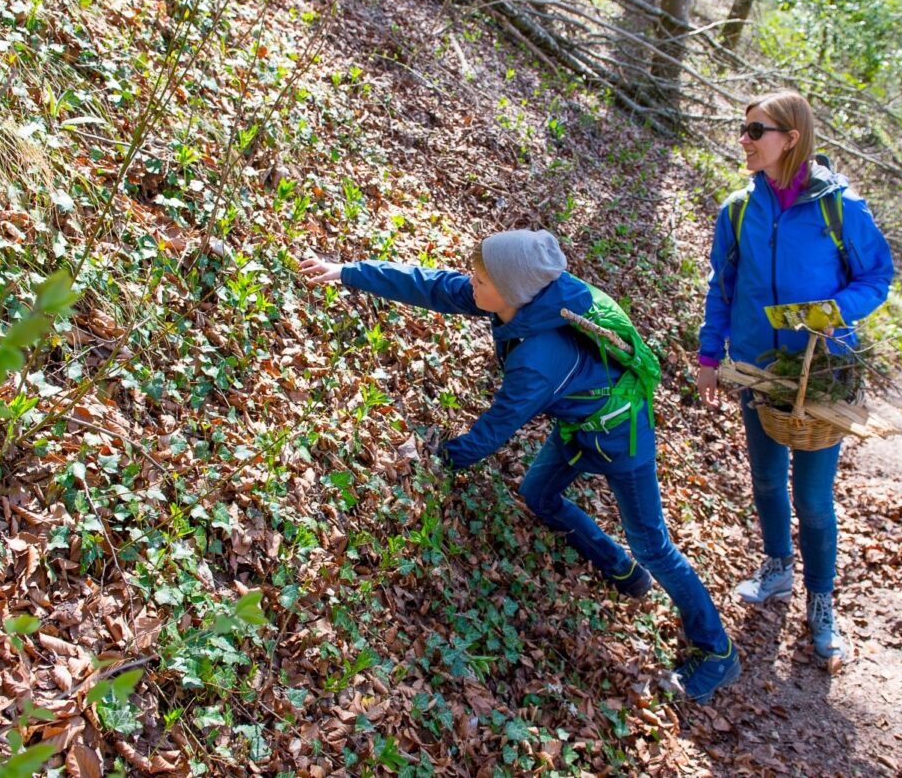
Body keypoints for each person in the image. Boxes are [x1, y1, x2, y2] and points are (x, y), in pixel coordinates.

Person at [301, 230, 740, 703]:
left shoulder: (538, 359)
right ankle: (622, 570)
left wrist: (438, 460)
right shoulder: (515, 300)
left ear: (509, 291)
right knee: (538, 495)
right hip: (579, 424)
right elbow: (432, 285)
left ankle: (717, 652)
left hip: (622, 436)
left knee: (653, 545)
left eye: (479, 279)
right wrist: (347, 272)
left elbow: (494, 430)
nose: (469, 283)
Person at [696, 89, 894, 667]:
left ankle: (822, 602)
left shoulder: (840, 208)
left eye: (756, 131)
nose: (745, 140)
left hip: (822, 372)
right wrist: (710, 355)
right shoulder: (738, 209)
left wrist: (832, 312)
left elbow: (876, 276)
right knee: (764, 479)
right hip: (758, 368)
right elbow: (722, 287)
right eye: (744, 129)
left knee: (812, 495)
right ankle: (778, 568)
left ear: (791, 138)